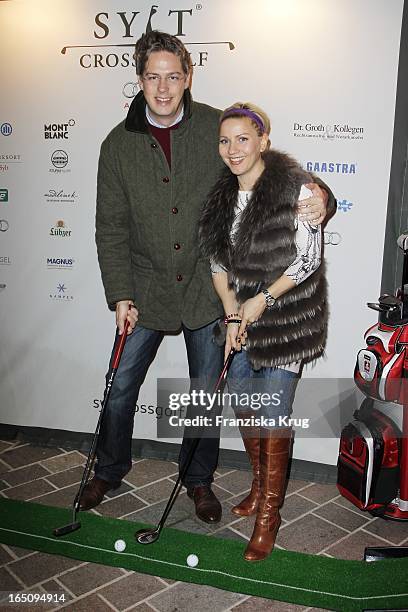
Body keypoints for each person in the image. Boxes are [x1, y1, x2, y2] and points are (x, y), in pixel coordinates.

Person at [84, 30, 333, 525]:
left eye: (172, 77)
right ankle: (109, 469)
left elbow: (265, 165)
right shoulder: (116, 145)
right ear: (138, 79)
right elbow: (109, 226)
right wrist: (121, 295)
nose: (162, 88)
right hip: (147, 289)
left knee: (205, 392)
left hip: (208, 289)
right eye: (152, 77)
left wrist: (322, 195)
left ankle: (198, 481)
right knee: (119, 389)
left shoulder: (216, 127)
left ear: (188, 77)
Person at [198, 102, 328, 560]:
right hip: (241, 324)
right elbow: (216, 263)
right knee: (247, 410)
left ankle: (269, 515)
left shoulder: (298, 189)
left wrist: (262, 300)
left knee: (273, 416)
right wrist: (233, 313)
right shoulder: (221, 197)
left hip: (283, 325)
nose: (233, 150)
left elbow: (307, 259)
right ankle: (258, 488)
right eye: (224, 140)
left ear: (263, 140)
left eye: (243, 139)